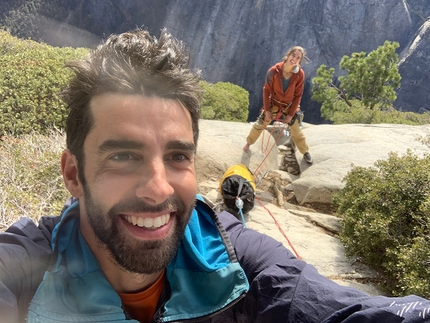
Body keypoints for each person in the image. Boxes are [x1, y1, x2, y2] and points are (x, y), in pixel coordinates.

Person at [0, 29, 429, 323]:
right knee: (259, 132)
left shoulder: (233, 255)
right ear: (73, 174)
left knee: (290, 137)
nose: (158, 188)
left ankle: (292, 159)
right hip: (269, 109)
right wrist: (270, 110)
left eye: (177, 156)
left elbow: (342, 309)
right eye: (124, 155)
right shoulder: (25, 267)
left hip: (287, 114)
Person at [243, 46, 313, 165]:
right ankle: (248, 143)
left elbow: (298, 96)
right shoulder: (274, 71)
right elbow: (266, 91)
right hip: (274, 102)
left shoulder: (299, 74)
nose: (294, 59)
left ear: (300, 61)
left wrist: (290, 115)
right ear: (288, 55)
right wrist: (268, 111)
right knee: (260, 124)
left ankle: (305, 151)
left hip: (289, 106)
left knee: (296, 131)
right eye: (293, 55)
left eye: (298, 58)